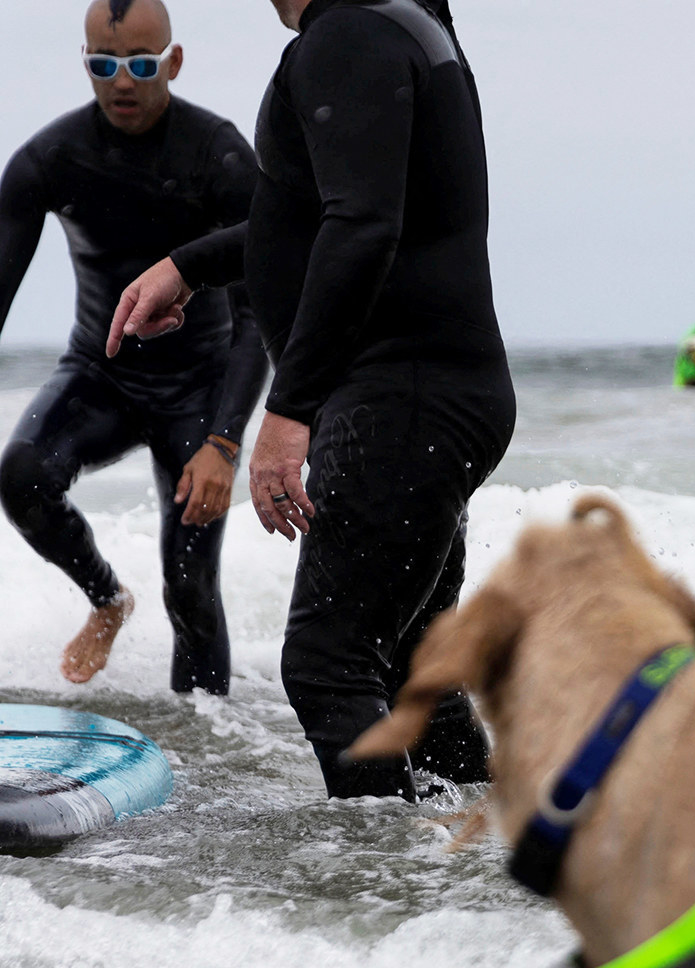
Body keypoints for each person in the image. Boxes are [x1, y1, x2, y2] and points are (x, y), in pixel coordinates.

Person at [110, 0, 512, 800]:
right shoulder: (400, 26)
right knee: (411, 675)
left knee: (329, 666)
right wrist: (190, 264)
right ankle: (485, 861)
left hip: (402, 399)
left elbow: (361, 224)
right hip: (439, 393)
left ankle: (382, 903)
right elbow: (318, 214)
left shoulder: (347, 36)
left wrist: (288, 410)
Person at [0, 0, 265, 693]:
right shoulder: (48, 160)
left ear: (173, 63)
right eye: (104, 64)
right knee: (22, 473)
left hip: (199, 389)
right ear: (84, 65)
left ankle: (209, 760)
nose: (123, 81)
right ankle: (107, 600)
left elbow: (260, 317)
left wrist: (226, 442)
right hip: (101, 373)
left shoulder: (222, 156)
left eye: (142, 65)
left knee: (192, 587)